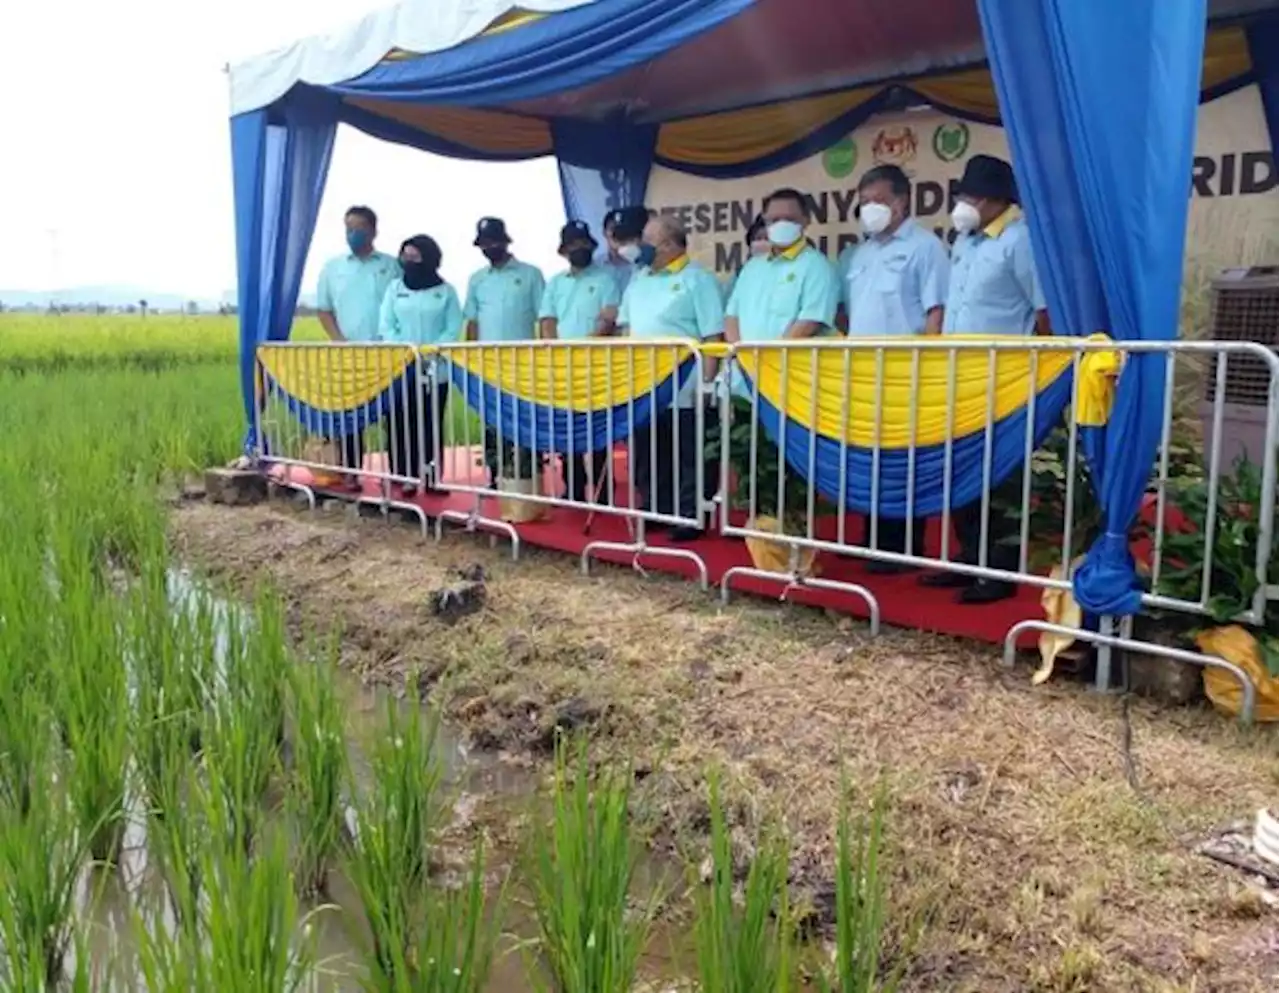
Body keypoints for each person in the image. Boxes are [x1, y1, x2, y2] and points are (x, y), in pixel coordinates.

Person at [923, 154, 1052, 604]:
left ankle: (998, 571)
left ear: (998, 200)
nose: (964, 203)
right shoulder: (966, 242)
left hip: (1002, 379)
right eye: (962, 195)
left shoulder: (1021, 241)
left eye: (973, 196)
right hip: (959, 377)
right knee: (960, 471)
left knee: (999, 476)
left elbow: (1043, 312)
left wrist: (1038, 370)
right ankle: (967, 558)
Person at [842, 165, 951, 571]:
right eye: (865, 201)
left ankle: (903, 548)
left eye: (880, 200)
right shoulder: (863, 252)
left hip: (908, 375)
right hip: (866, 375)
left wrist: (932, 372)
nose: (871, 208)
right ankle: (873, 540)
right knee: (870, 461)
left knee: (904, 464)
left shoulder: (926, 247)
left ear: (902, 201)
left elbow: (936, 311)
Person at [617, 215, 724, 540]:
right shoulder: (638, 279)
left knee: (690, 453)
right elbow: (626, 328)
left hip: (685, 383)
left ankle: (692, 513)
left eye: (647, 239)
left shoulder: (698, 280)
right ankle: (656, 507)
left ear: (669, 244)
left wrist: (707, 383)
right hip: (645, 384)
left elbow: (712, 336)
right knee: (649, 450)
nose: (641, 245)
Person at [315, 206, 402, 489]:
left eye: (360, 227)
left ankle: (399, 475)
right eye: (348, 227)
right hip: (349, 355)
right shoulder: (333, 268)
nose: (353, 233)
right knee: (351, 417)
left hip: (389, 354)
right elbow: (324, 310)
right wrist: (338, 339)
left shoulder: (391, 266)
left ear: (374, 230)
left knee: (395, 416)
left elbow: (404, 303)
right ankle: (352, 472)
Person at [538, 220, 623, 503]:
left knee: (597, 429)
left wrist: (588, 344)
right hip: (563, 366)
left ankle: (602, 490)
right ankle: (572, 487)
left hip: (595, 364)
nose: (579, 249)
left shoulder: (606, 279)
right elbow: (547, 319)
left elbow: (608, 317)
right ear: (564, 250)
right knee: (567, 428)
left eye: (583, 244)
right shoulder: (555, 283)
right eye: (573, 245)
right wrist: (556, 349)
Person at [461, 217, 545, 485]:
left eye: (494, 241)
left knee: (525, 420)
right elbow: (472, 322)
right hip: (489, 365)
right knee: (492, 421)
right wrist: (471, 360)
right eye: (484, 243)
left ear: (505, 241)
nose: (489, 247)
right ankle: (495, 474)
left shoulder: (530, 274)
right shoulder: (477, 280)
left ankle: (527, 474)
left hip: (524, 364)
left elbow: (544, 318)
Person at [377, 235, 463, 497]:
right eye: (405, 257)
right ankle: (403, 475)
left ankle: (432, 476)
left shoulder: (445, 291)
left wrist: (429, 351)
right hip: (400, 367)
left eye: (415, 257)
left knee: (430, 422)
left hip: (435, 369)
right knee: (399, 421)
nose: (410, 262)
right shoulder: (394, 289)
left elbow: (452, 328)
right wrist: (407, 350)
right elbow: (386, 325)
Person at [724, 188, 840, 344]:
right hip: (744, 363)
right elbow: (732, 315)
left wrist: (770, 356)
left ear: (806, 221)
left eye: (790, 219)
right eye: (775, 220)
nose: (781, 225)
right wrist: (739, 353)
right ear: (765, 221)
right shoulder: (752, 267)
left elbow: (810, 321)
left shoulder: (818, 266)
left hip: (787, 364)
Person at [598, 206, 652, 297]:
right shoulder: (595, 266)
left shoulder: (645, 266)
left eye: (626, 236)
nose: (615, 237)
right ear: (604, 232)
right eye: (612, 229)